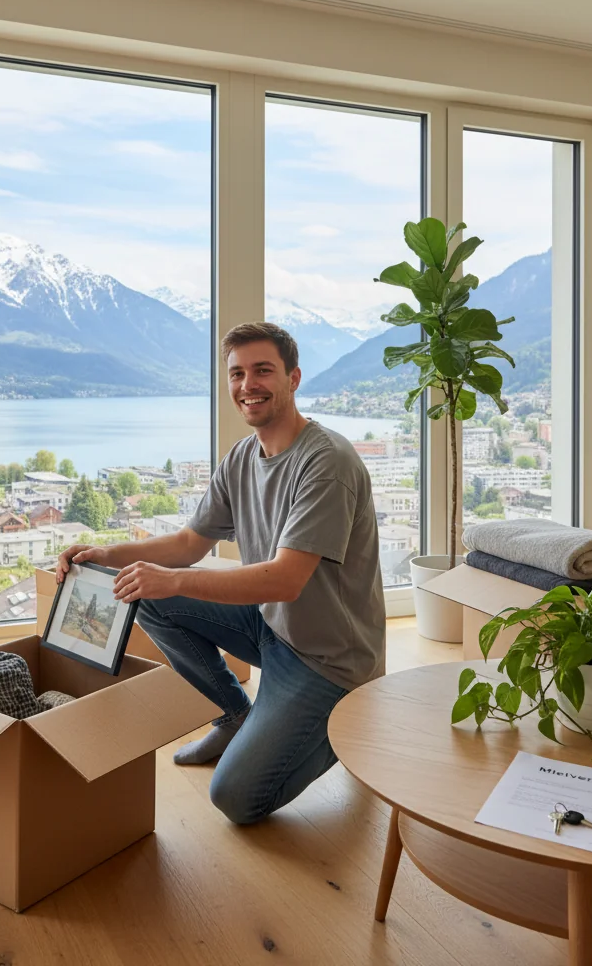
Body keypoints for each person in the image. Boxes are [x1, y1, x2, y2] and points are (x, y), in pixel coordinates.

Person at [56, 321, 385, 824]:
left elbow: (285, 579)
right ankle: (236, 715)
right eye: (237, 374)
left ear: (293, 379)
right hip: (271, 626)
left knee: (235, 798)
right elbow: (189, 544)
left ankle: (346, 726)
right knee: (145, 592)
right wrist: (106, 553)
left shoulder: (327, 463)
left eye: (262, 371)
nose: (247, 385)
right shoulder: (242, 457)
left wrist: (176, 580)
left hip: (328, 659)